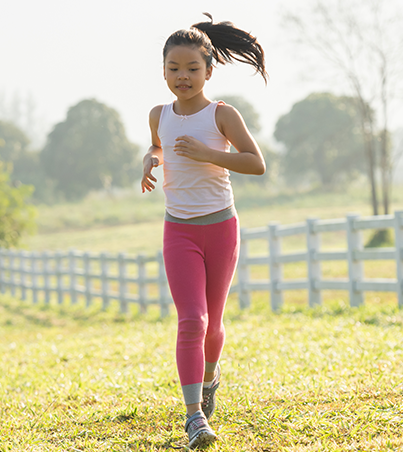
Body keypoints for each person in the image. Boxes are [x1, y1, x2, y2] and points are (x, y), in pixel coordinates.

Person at [140, 13, 267, 449]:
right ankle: (194, 416)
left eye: (192, 69)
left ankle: (210, 378)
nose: (183, 76)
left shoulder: (222, 115)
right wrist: (150, 159)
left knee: (213, 325)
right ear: (163, 71)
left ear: (208, 71)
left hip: (221, 227)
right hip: (179, 231)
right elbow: (160, 144)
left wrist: (207, 154)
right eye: (174, 69)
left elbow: (256, 163)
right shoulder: (159, 115)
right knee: (192, 319)